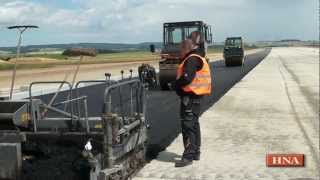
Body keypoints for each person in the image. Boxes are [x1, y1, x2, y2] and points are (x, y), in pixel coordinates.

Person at [174, 38, 212, 167]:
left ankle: (188, 156)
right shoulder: (198, 58)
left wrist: (174, 84)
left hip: (190, 98)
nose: (180, 51)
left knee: (188, 125)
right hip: (196, 97)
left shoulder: (191, 59)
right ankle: (196, 152)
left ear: (187, 48)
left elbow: (186, 78)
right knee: (194, 124)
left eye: (181, 48)